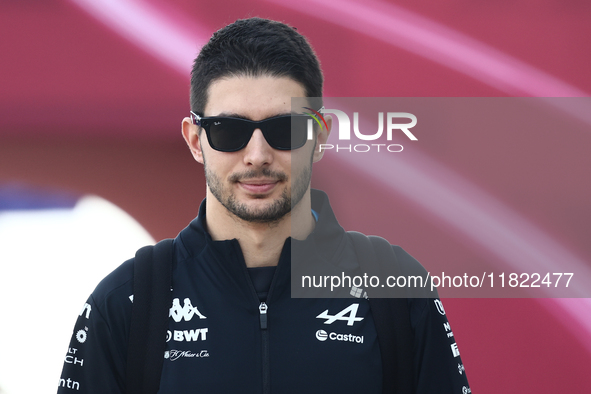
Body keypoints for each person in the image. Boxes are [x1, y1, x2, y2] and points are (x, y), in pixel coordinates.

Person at [58, 17, 470, 394]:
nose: (257, 155)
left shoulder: (395, 289)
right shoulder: (127, 301)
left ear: (320, 135)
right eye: (228, 130)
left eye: (283, 128)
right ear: (194, 139)